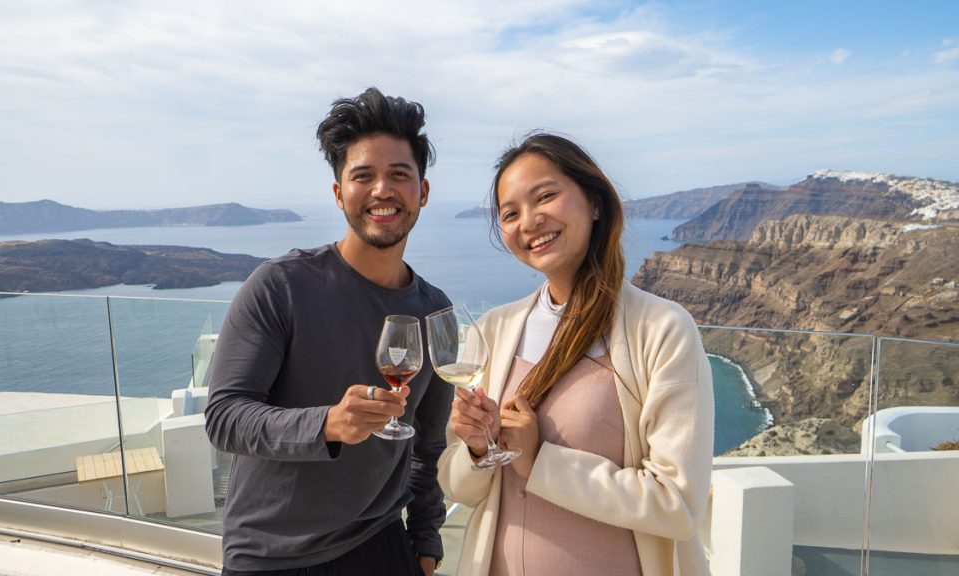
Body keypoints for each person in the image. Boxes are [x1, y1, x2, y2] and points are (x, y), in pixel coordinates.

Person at [438, 133, 714, 576]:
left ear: (595, 202)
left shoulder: (661, 328)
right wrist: (474, 450)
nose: (528, 221)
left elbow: (677, 504)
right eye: (510, 214)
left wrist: (541, 461)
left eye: (545, 196)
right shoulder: (493, 330)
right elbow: (458, 487)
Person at [205, 87, 453, 576]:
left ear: (422, 192)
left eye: (399, 175)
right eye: (363, 176)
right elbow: (224, 417)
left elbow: (428, 443)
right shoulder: (282, 286)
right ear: (339, 193)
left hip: (381, 542)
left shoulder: (434, 312)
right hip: (273, 555)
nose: (383, 190)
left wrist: (425, 540)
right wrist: (327, 424)